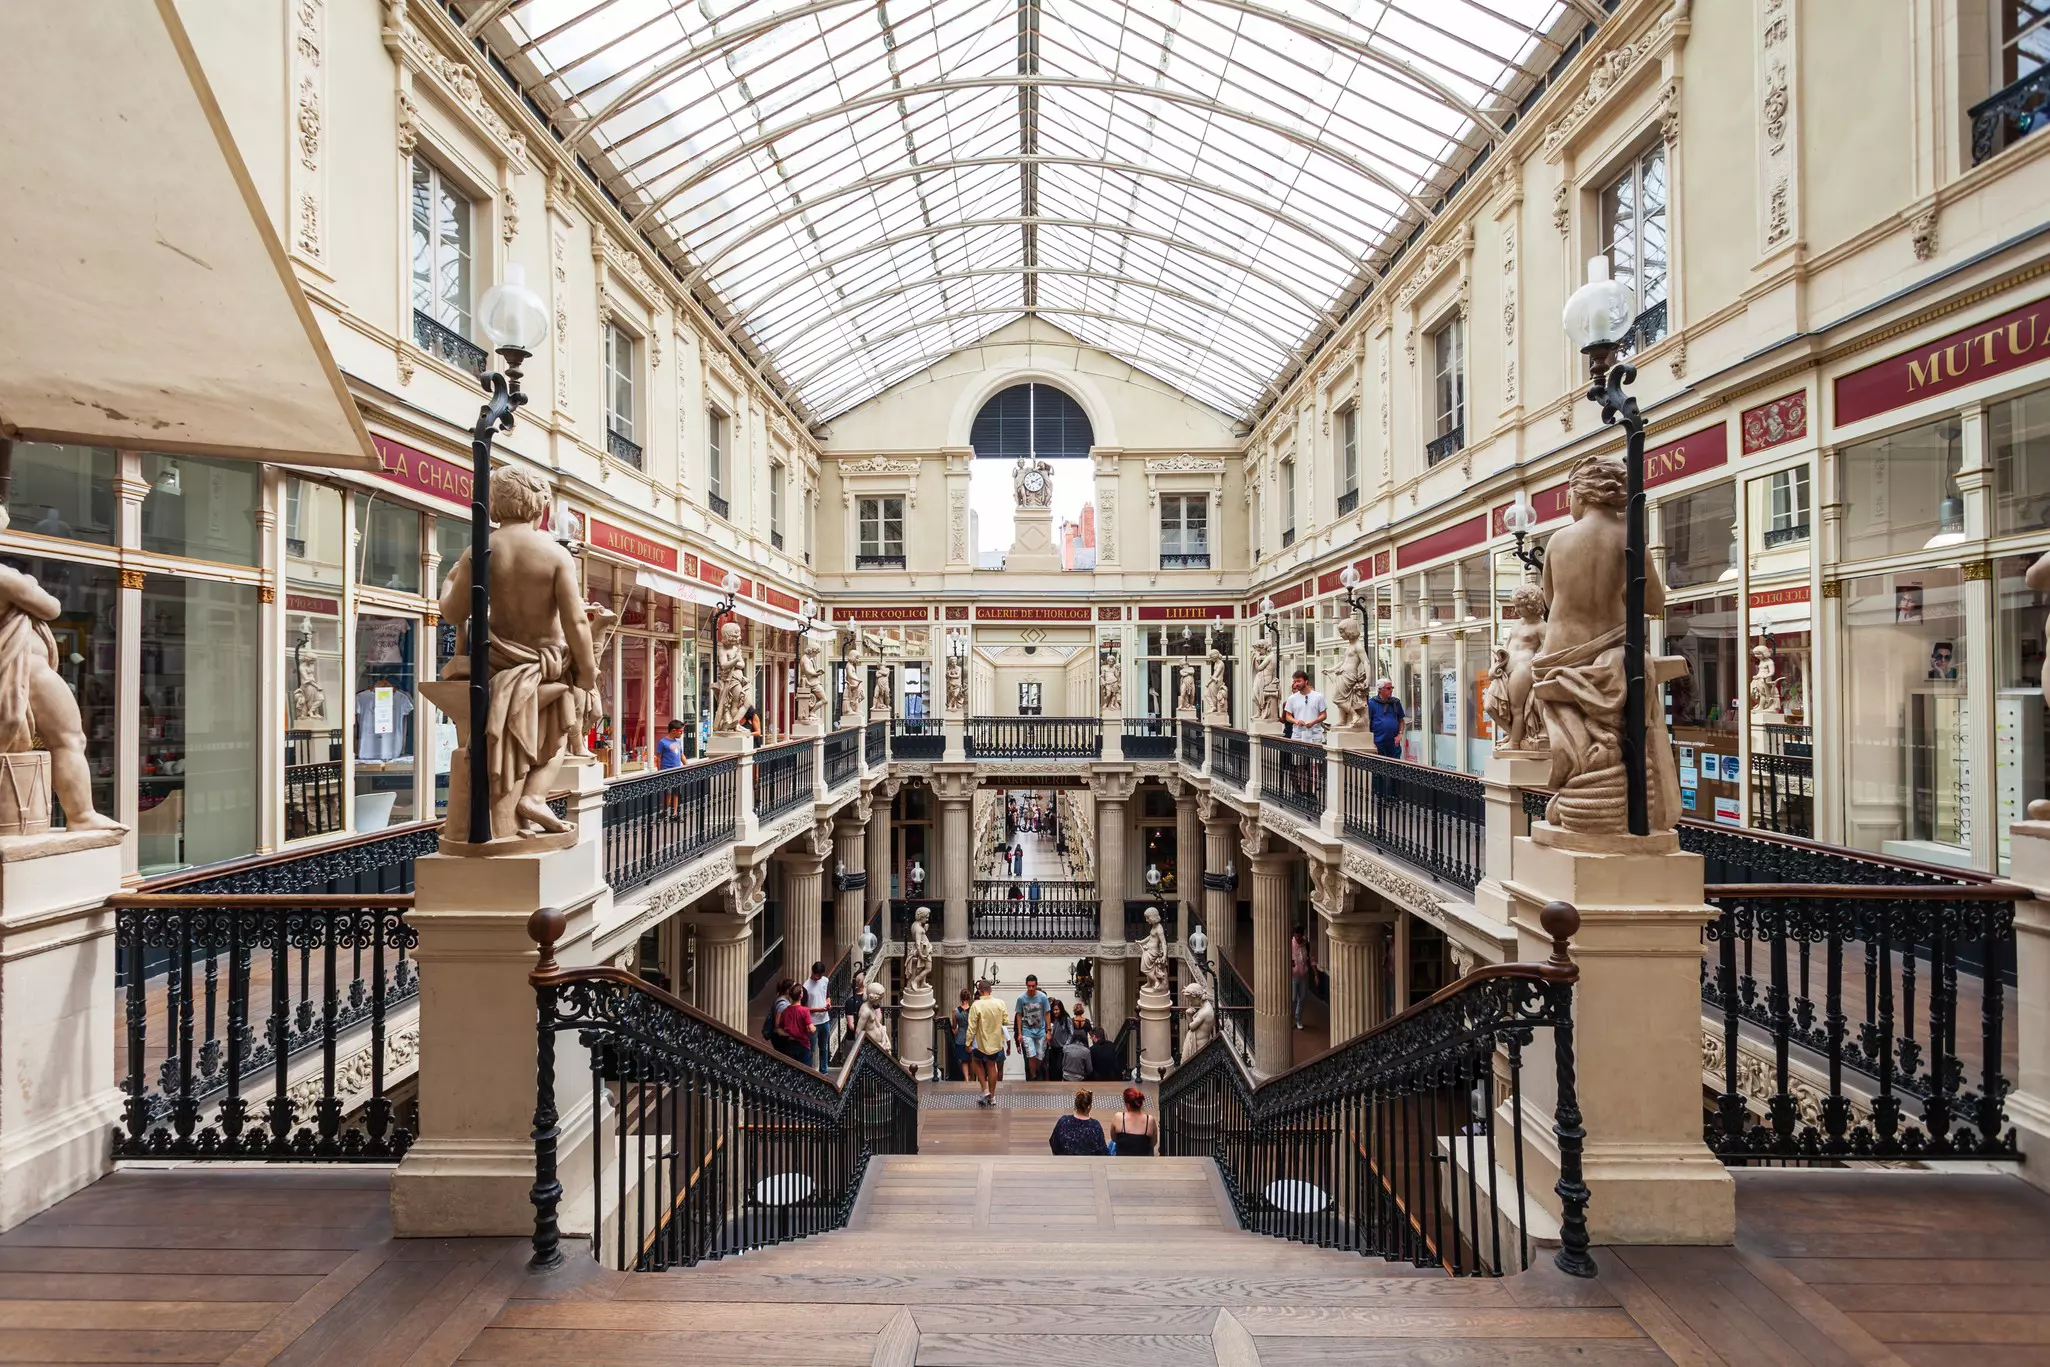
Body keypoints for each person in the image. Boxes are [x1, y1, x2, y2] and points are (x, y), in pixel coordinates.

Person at [966, 978, 1010, 1106]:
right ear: (990, 990)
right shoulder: (1000, 1003)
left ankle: (985, 1089)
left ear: (979, 991)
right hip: (995, 1041)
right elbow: (1005, 1021)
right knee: (992, 1066)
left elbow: (972, 1026)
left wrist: (968, 1042)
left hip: (980, 1042)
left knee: (976, 1061)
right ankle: (992, 1096)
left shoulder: (976, 1005)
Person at [1014, 974, 1052, 1081]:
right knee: (1031, 1054)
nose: (1031, 988)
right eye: (1029, 986)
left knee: (1040, 1055)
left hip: (1040, 1031)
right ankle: (1033, 1076)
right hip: (1027, 1031)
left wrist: (1049, 1031)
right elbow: (1019, 1014)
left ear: (1036, 985)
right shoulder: (1021, 999)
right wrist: (1020, 1033)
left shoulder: (1042, 998)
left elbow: (1047, 1013)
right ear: (1026, 985)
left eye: (1033, 986)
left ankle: (1035, 1071)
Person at [1049, 1090, 1109, 1156]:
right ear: (1089, 1107)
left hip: (1064, 1163)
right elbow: (1103, 1152)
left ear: (1076, 1105)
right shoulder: (1095, 1126)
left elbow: (1054, 1145)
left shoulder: (1063, 1121)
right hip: (1088, 1164)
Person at [1107, 1086, 1158, 1157]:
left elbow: (1114, 1138)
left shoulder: (1118, 1117)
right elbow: (1153, 1142)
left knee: (1112, 1143)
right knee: (1148, 1144)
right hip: (1143, 1157)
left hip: (1122, 1158)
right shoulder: (1150, 1119)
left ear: (1127, 1104)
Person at [1282, 669, 1327, 745]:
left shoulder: (1318, 696)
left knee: (1314, 757)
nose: (1296, 684)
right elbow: (1288, 716)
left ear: (1306, 681)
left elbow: (1324, 715)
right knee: (1297, 757)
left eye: (1299, 681)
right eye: (1295, 681)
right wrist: (1296, 721)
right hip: (1297, 736)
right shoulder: (1291, 698)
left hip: (1315, 736)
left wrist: (1313, 722)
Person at [803, 960, 834, 1069]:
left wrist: (828, 1003)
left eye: (821, 975)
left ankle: (824, 1071)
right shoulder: (806, 986)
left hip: (825, 1020)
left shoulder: (825, 980)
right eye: (818, 975)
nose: (819, 977)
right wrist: (818, 1009)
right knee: (811, 1049)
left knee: (824, 1047)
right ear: (813, 972)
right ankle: (809, 1071)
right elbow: (803, 1008)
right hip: (813, 1022)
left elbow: (827, 996)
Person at [1367, 678, 1405, 759]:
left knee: (1395, 768)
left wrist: (1400, 734)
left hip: (1393, 743)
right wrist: (1370, 742)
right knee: (1379, 768)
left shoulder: (1395, 702)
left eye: (1392, 688)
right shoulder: (1372, 703)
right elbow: (1367, 722)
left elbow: (1401, 720)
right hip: (1378, 743)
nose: (1391, 690)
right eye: (1388, 688)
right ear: (1380, 690)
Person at [1290, 930, 1315, 1031]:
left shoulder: (1306, 945)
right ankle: (1291, 1020)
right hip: (1293, 976)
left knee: (1302, 997)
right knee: (1293, 998)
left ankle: (1298, 1019)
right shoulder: (1290, 944)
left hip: (1304, 975)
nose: (1298, 939)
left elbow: (1311, 959)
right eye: (1296, 937)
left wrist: (1316, 975)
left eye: (1300, 937)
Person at [950, 986, 973, 1082]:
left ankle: (966, 1078)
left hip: (960, 1037)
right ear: (969, 997)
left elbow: (954, 1026)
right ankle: (971, 1077)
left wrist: (955, 1029)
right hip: (970, 1037)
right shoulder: (972, 1010)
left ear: (961, 997)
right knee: (971, 1058)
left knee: (964, 1060)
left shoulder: (955, 1011)